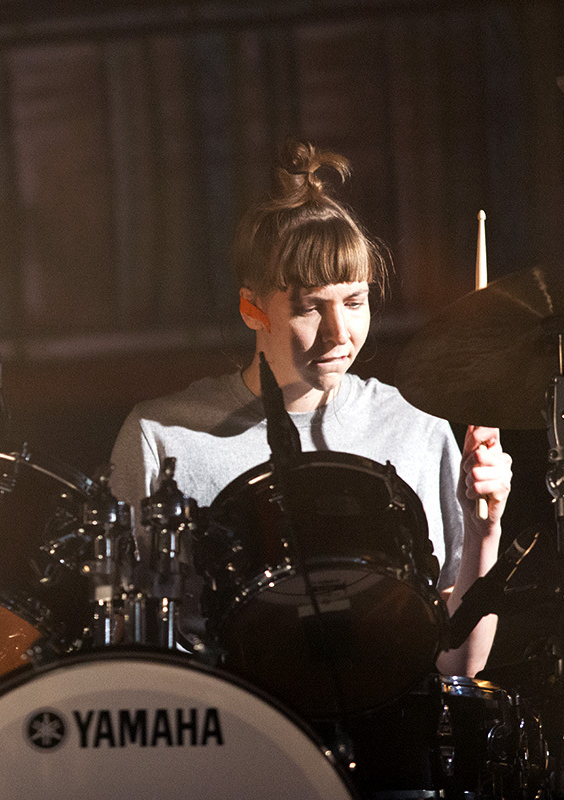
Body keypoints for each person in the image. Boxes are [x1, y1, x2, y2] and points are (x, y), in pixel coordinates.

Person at [108, 138, 511, 679]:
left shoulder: (417, 427)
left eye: (355, 301)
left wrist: (485, 528)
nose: (340, 334)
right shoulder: (162, 437)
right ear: (252, 307)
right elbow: (131, 656)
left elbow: (457, 662)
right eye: (309, 308)